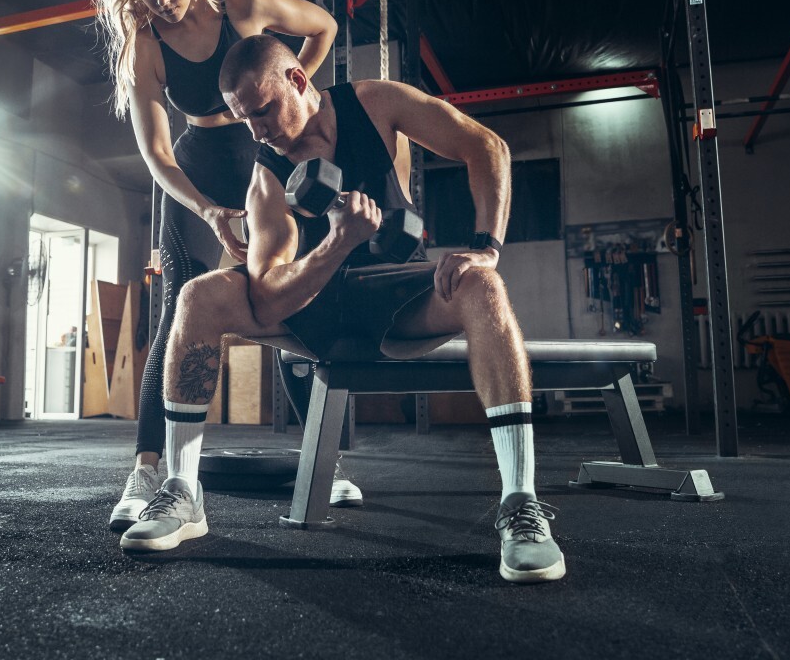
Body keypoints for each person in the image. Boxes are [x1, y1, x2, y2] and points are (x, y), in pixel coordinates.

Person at [118, 35, 566, 584]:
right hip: (307, 308)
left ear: (299, 81)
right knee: (198, 295)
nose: (257, 130)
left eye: (263, 110)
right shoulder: (266, 179)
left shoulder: (375, 104)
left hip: (392, 298)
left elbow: (488, 147)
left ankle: (521, 505)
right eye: (244, 119)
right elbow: (268, 297)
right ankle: (183, 492)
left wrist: (485, 245)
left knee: (484, 287)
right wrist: (338, 243)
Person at [92, 0, 361, 530]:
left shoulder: (242, 7)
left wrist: (289, 90)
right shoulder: (146, 50)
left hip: (261, 155)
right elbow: (156, 154)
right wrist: (207, 208)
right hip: (196, 173)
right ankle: (147, 471)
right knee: (177, 313)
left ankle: (330, 464)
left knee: (288, 301)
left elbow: (323, 27)